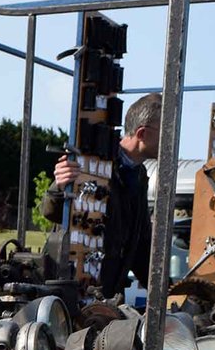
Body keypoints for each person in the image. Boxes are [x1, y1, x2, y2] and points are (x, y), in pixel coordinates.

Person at [40, 93, 162, 300]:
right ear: (142, 133)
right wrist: (59, 186)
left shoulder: (138, 175)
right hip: (70, 291)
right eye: (165, 132)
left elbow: (141, 246)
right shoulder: (90, 162)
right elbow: (50, 211)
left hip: (107, 295)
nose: (172, 140)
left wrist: (167, 291)